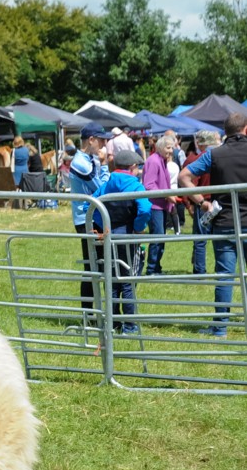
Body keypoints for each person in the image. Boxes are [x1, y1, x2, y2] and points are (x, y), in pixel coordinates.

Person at [180, 114, 247, 337]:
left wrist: (202, 202)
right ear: (245, 129)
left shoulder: (214, 154)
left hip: (225, 222)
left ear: (225, 131)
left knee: (225, 276)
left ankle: (219, 328)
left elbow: (184, 176)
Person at [92, 150, 151, 336]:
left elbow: (89, 206)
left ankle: (113, 322)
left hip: (110, 238)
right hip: (128, 238)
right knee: (128, 280)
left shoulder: (106, 185)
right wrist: (138, 228)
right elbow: (145, 209)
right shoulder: (136, 186)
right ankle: (130, 325)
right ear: (132, 167)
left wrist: (105, 226)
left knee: (112, 280)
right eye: (138, 167)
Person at [68, 124, 111, 314]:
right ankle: (89, 313)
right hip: (86, 220)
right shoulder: (81, 163)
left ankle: (93, 313)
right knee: (92, 266)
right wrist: (105, 164)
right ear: (91, 139)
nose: (104, 144)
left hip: (92, 217)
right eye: (101, 140)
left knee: (97, 265)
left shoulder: (88, 159)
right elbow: (102, 188)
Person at [182, 130, 221, 274]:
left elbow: (190, 183)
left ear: (199, 143)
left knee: (200, 238)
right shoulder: (219, 157)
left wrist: (189, 204)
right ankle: (221, 269)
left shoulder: (197, 160)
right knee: (220, 238)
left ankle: (199, 270)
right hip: (219, 202)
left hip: (203, 202)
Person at [142, 134, 176, 275]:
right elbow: (149, 185)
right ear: (160, 147)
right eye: (168, 148)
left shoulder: (161, 160)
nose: (171, 151)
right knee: (157, 237)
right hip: (154, 205)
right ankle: (151, 268)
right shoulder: (154, 161)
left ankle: (156, 267)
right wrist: (167, 195)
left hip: (161, 205)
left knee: (160, 237)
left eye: (172, 148)